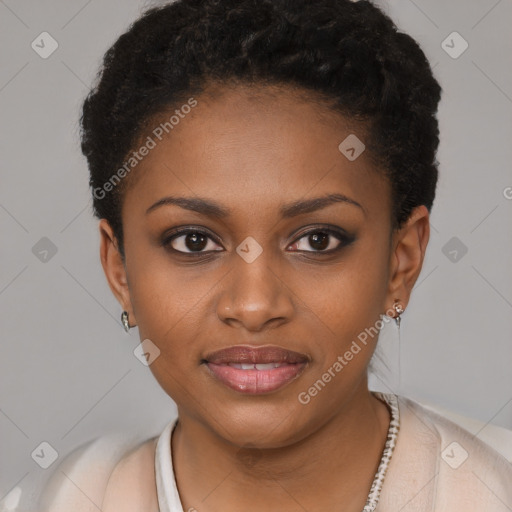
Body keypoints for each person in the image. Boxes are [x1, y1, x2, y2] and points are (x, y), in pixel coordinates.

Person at [33, 0, 512, 510]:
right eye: (194, 241)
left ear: (401, 261)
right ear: (119, 269)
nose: (255, 305)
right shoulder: (64, 497)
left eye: (317, 240)